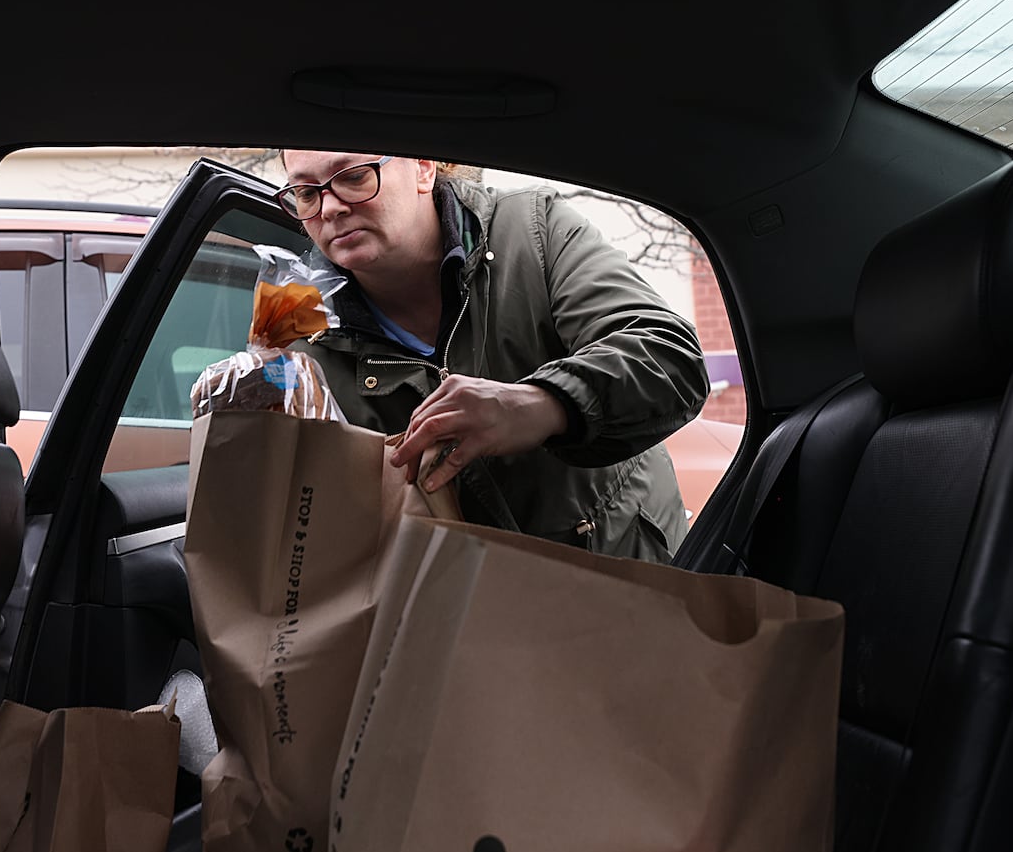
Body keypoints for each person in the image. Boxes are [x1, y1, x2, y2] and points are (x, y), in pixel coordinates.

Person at [275, 150, 710, 562]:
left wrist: (544, 404)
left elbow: (669, 356)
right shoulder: (301, 333)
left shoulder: (535, 228)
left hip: (630, 588)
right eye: (307, 194)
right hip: (457, 622)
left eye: (353, 178)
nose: (328, 209)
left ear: (423, 167)